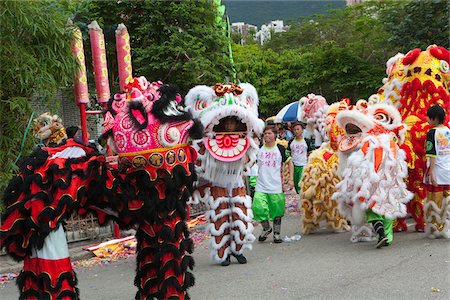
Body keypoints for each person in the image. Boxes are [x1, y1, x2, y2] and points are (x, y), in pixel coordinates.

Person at [252, 125, 294, 243]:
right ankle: (266, 228)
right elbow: (250, 161)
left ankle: (276, 234)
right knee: (257, 208)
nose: (267, 136)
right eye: (265, 134)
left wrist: (290, 179)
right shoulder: (259, 148)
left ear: (275, 135)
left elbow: (289, 162)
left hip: (276, 185)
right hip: (261, 185)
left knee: (277, 211)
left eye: (269, 133)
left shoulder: (280, 148)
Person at [424, 104, 450, 239]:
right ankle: (446, 226)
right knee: (447, 200)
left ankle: (436, 227)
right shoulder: (448, 131)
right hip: (448, 171)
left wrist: (431, 172)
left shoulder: (432, 133)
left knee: (435, 201)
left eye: (428, 117)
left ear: (434, 119)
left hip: (438, 172)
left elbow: (432, 153)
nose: (427, 119)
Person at [288, 122, 308, 194]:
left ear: (302, 130)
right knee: (296, 186)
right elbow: (289, 154)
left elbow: (310, 153)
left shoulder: (306, 141)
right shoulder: (291, 142)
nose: (296, 131)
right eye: (295, 129)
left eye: (298, 129)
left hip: (304, 166)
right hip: (294, 166)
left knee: (301, 186)